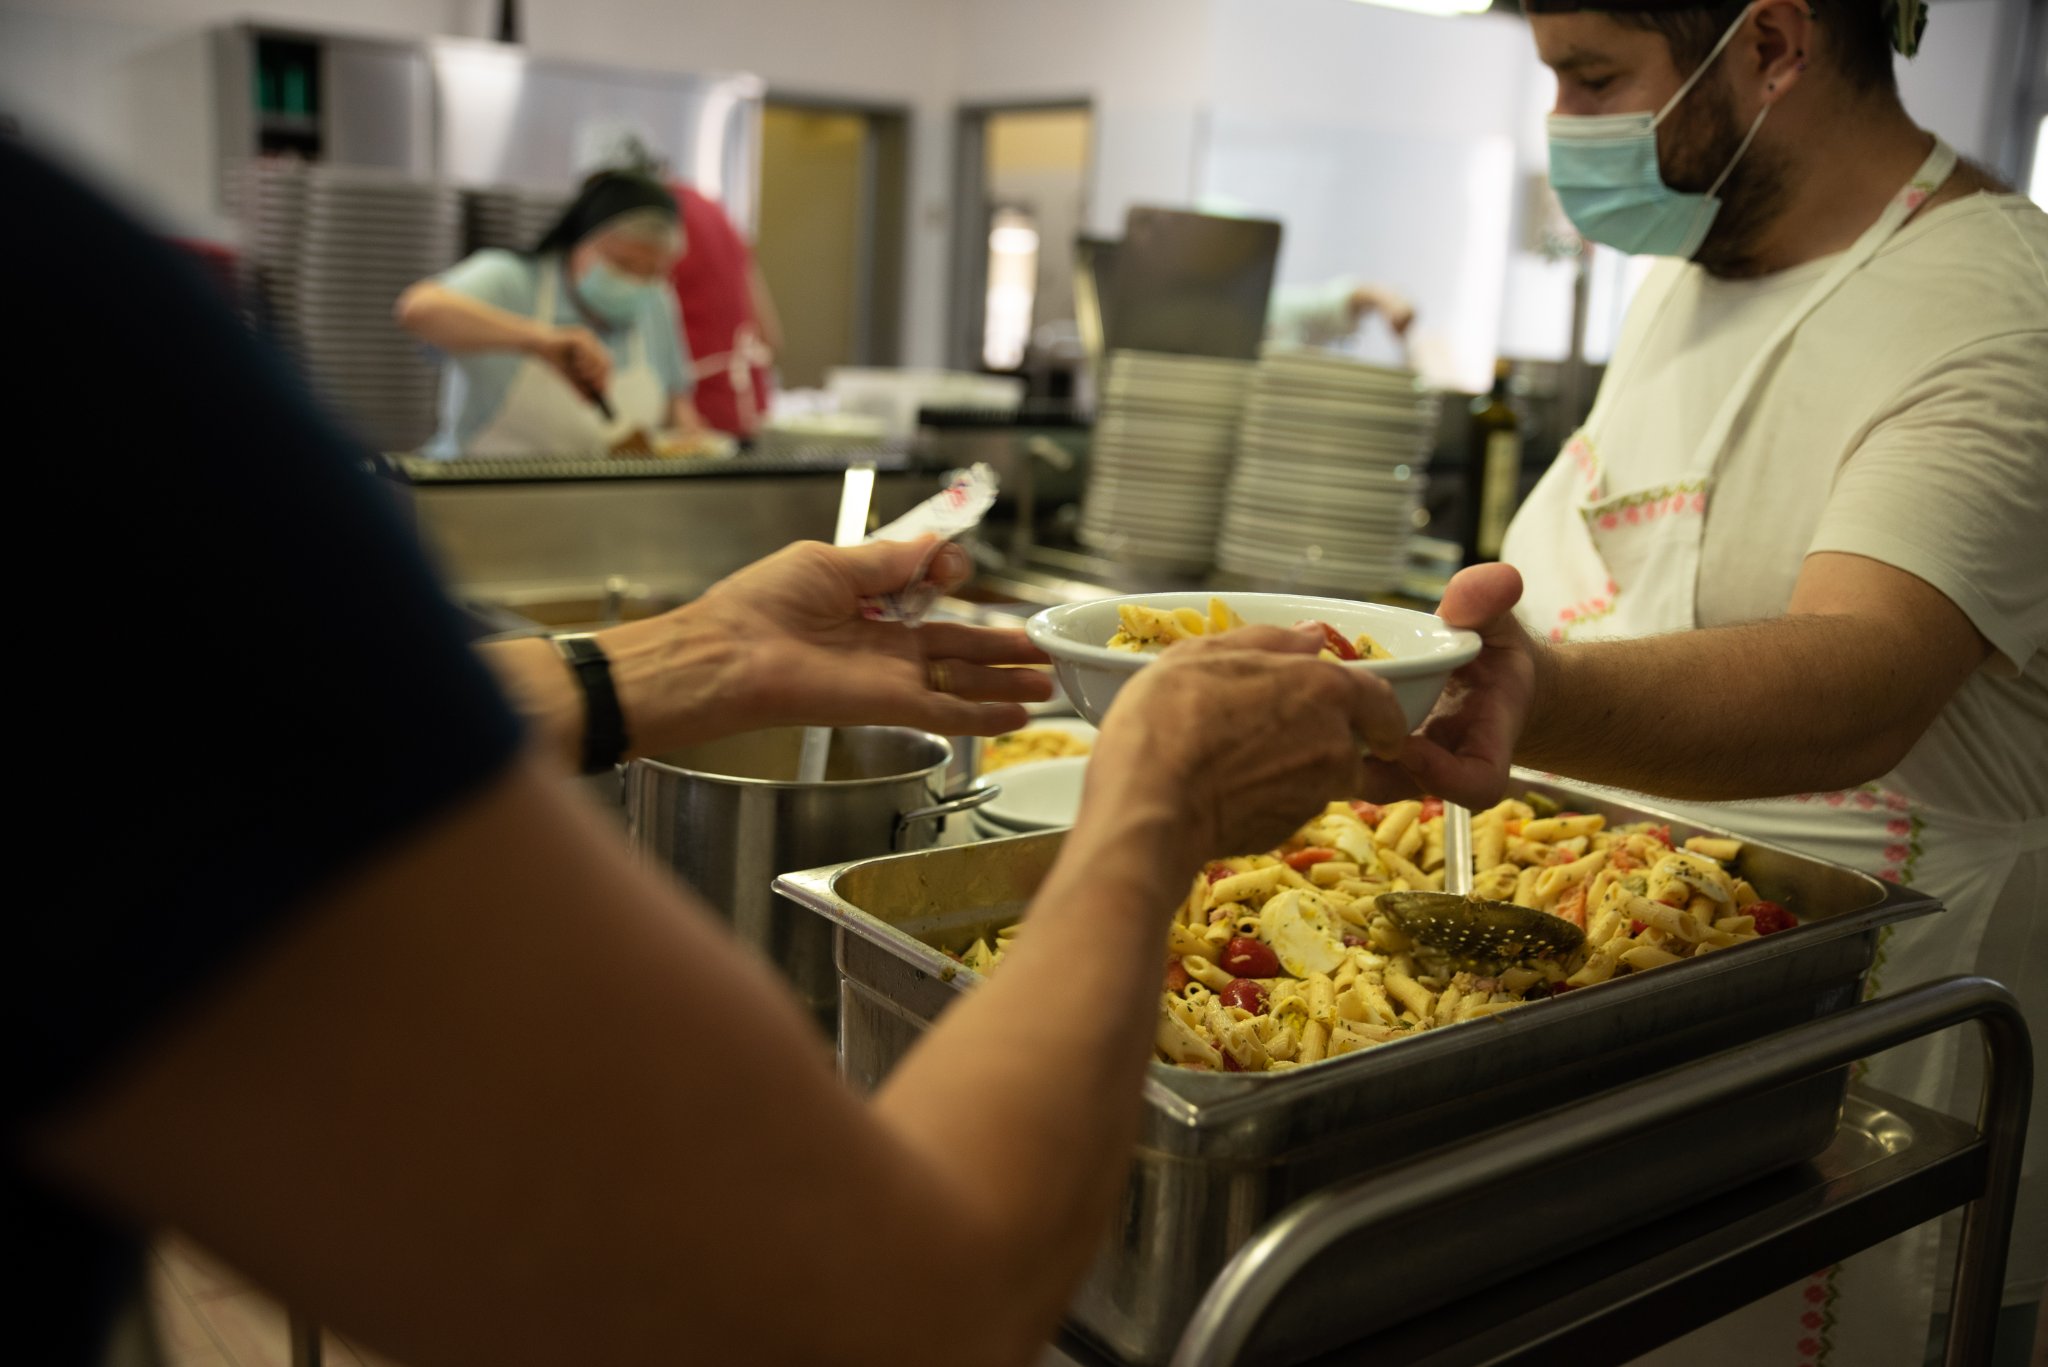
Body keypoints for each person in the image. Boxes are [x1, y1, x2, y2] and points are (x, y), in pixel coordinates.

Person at [8, 138, 1498, 1367]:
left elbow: (224, 746)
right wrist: (1152, 804)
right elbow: (887, 1313)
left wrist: (695, 656)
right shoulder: (65, 347)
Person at [1396, 0, 2048, 1361]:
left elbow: (1869, 676)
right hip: (1632, 1010)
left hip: (1877, 1054)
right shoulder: (1688, 277)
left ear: (1772, 45)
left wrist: (1537, 697)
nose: (1565, 125)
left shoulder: (1998, 306)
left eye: (1591, 77)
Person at [397, 168, 706, 458]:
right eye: (623, 264)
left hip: (603, 506)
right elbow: (418, 309)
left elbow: (677, 409)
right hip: (483, 498)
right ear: (581, 241)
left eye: (653, 272)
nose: (637, 282)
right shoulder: (510, 279)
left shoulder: (657, 303)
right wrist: (541, 341)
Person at [667, 181, 783, 439]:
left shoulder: (661, 228)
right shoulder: (722, 218)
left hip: (696, 413)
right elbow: (771, 335)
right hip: (750, 407)